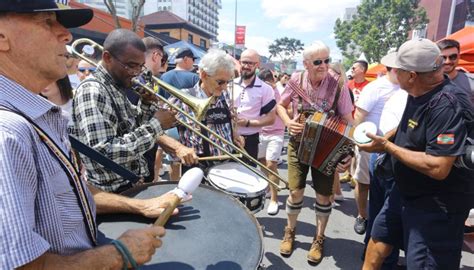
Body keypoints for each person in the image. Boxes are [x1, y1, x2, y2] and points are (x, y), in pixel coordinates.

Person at [0, 2, 177, 268]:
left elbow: (74, 191)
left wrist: (141, 206)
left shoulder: (35, 115)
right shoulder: (7, 132)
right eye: (47, 22)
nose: (67, 34)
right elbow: (20, 265)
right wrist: (119, 254)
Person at [361, 38, 474, 270]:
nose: (390, 72)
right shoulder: (418, 92)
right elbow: (408, 125)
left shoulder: (447, 104)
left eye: (397, 70)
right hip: (405, 191)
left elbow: (438, 167)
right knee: (377, 242)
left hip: (437, 205)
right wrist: (384, 140)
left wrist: (387, 147)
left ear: (411, 75)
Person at [73, 29, 198, 193]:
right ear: (107, 58)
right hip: (114, 193)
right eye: (131, 66)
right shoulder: (93, 90)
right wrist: (156, 124)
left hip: (132, 185)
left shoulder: (116, 87)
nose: (136, 73)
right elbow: (102, 154)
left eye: (140, 66)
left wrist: (146, 106)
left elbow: (131, 130)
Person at [277, 41, 353, 264]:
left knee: (323, 195)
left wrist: (349, 153)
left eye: (327, 60)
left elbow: (349, 121)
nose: (324, 65)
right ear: (306, 64)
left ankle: (319, 238)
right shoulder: (295, 80)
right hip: (298, 143)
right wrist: (288, 122)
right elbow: (279, 105)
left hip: (326, 149)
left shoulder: (338, 85)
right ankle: (289, 231)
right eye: (318, 62)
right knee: (295, 192)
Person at [352, 52, 401, 236]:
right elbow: (359, 116)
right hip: (370, 145)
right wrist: (359, 143)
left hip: (395, 148)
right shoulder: (375, 88)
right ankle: (362, 215)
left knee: (387, 188)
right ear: (396, 69)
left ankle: (381, 222)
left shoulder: (406, 87)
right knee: (364, 183)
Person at [171, 49, 244, 171]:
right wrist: (178, 148)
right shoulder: (183, 98)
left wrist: (234, 133)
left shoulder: (224, 95)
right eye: (220, 82)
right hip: (198, 169)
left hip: (228, 164)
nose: (225, 87)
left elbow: (227, 119)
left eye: (228, 82)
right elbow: (157, 131)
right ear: (204, 75)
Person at [232, 49, 276, 165]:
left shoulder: (265, 89)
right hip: (228, 137)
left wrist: (247, 122)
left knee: (248, 176)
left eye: (250, 63)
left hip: (250, 140)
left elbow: (271, 118)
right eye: (244, 62)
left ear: (257, 65)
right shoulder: (229, 84)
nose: (246, 66)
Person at [257, 69, 285, 215]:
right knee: (262, 162)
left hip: (277, 132)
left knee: (271, 164)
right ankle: (269, 187)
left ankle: (275, 199)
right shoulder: (259, 91)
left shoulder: (278, 91)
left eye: (272, 81)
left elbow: (281, 107)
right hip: (261, 131)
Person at [341, 60, 370, 187]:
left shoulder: (370, 87)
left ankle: (356, 175)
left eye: (354, 68)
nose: (351, 69)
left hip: (362, 124)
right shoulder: (348, 85)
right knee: (347, 149)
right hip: (347, 122)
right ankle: (349, 173)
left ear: (362, 70)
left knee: (358, 150)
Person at [437, 39, 474, 103]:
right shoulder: (426, 82)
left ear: (459, 57)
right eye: (443, 57)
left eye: (453, 57)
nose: (447, 61)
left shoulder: (471, 81)